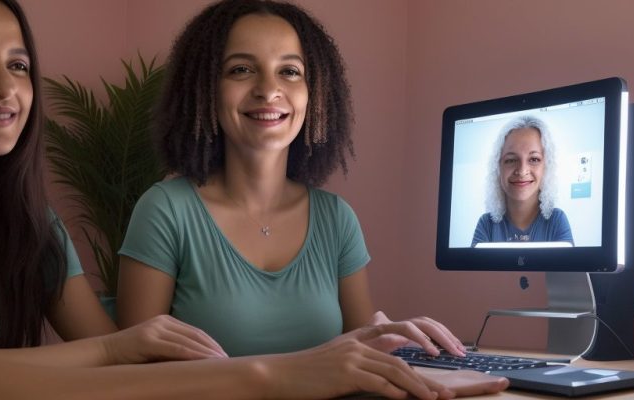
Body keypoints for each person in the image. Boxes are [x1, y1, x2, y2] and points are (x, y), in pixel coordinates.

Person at [0, 0, 505, 398]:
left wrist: (388, 345)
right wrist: (264, 374)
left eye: (20, 64)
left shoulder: (34, 227)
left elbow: (131, 364)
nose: (5, 85)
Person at [116, 0, 474, 360]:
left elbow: (362, 352)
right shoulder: (164, 211)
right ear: (205, 88)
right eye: (241, 69)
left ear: (315, 93)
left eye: (289, 71)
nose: (268, 90)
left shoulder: (337, 220)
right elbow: (137, 376)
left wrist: (392, 335)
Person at [471, 115, 573, 246]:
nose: (522, 171)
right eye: (511, 160)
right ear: (498, 168)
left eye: (534, 159)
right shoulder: (486, 224)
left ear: (546, 167)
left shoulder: (557, 220)